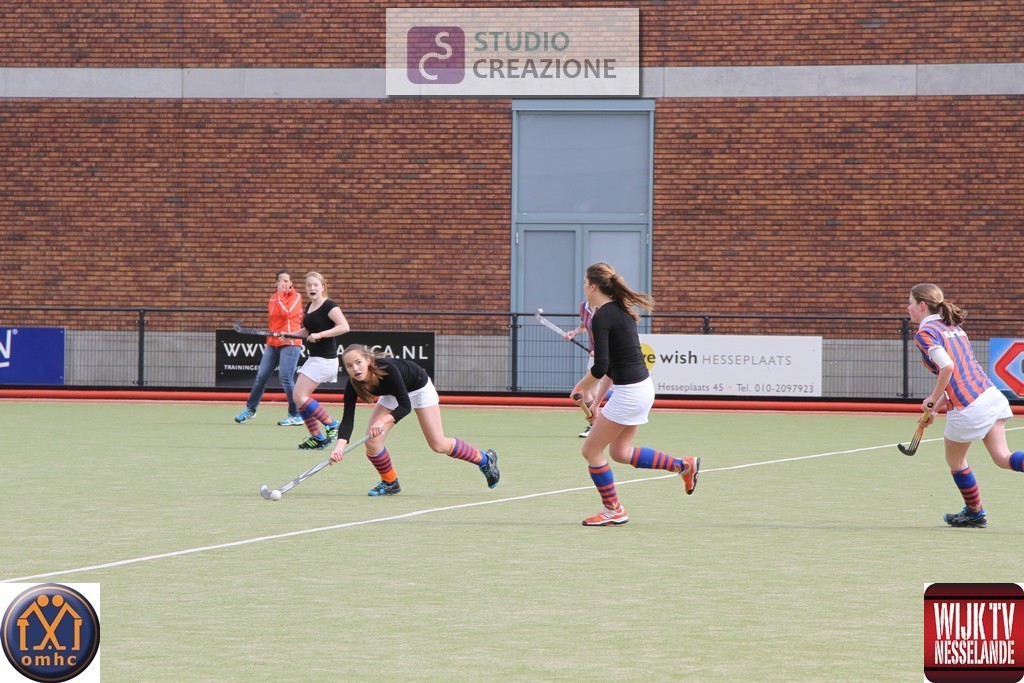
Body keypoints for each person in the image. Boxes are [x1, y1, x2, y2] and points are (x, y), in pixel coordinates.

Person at [572, 262, 700, 526]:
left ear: (593, 286)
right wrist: (596, 403)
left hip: (630, 394)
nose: (583, 288)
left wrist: (580, 388)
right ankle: (683, 465)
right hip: (640, 389)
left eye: (585, 283)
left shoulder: (602, 316)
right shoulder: (620, 311)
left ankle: (613, 510)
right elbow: (611, 368)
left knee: (591, 450)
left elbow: (600, 367)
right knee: (620, 452)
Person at [907, 283, 1024, 528]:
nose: (908, 308)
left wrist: (931, 399)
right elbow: (956, 372)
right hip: (990, 395)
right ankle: (974, 512)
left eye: (910, 303)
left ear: (922, 305)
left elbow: (948, 367)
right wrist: (934, 408)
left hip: (969, 407)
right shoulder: (953, 327)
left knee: (956, 461)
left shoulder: (925, 333)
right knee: (1003, 457)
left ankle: (974, 512)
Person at [329, 344, 499, 496]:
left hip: (419, 389)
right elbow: (348, 418)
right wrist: (339, 448)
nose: (355, 368)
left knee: (438, 445)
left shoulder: (387, 369)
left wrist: (383, 421)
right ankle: (390, 483)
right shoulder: (353, 385)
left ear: (368, 360)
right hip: (394, 395)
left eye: (358, 362)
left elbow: (405, 406)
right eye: (349, 365)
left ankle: (485, 460)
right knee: (372, 443)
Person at [234, 270, 305, 426]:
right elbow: (274, 321)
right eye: (280, 281)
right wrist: (272, 337)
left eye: (286, 281)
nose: (283, 284)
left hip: (291, 342)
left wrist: (280, 295)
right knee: (261, 377)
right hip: (273, 343)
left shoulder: (296, 297)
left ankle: (295, 414)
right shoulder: (273, 298)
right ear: (276, 283)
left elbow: (287, 313)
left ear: (291, 283)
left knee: (285, 378)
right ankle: (250, 409)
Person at [292, 271, 350, 450]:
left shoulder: (329, 306)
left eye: (315, 285)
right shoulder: (310, 306)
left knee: (299, 396)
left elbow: (344, 327)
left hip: (325, 360)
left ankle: (332, 424)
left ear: (322, 287)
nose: (312, 288)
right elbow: (307, 330)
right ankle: (317, 437)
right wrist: (290, 335)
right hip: (315, 358)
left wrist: (321, 334)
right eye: (309, 285)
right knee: (299, 398)